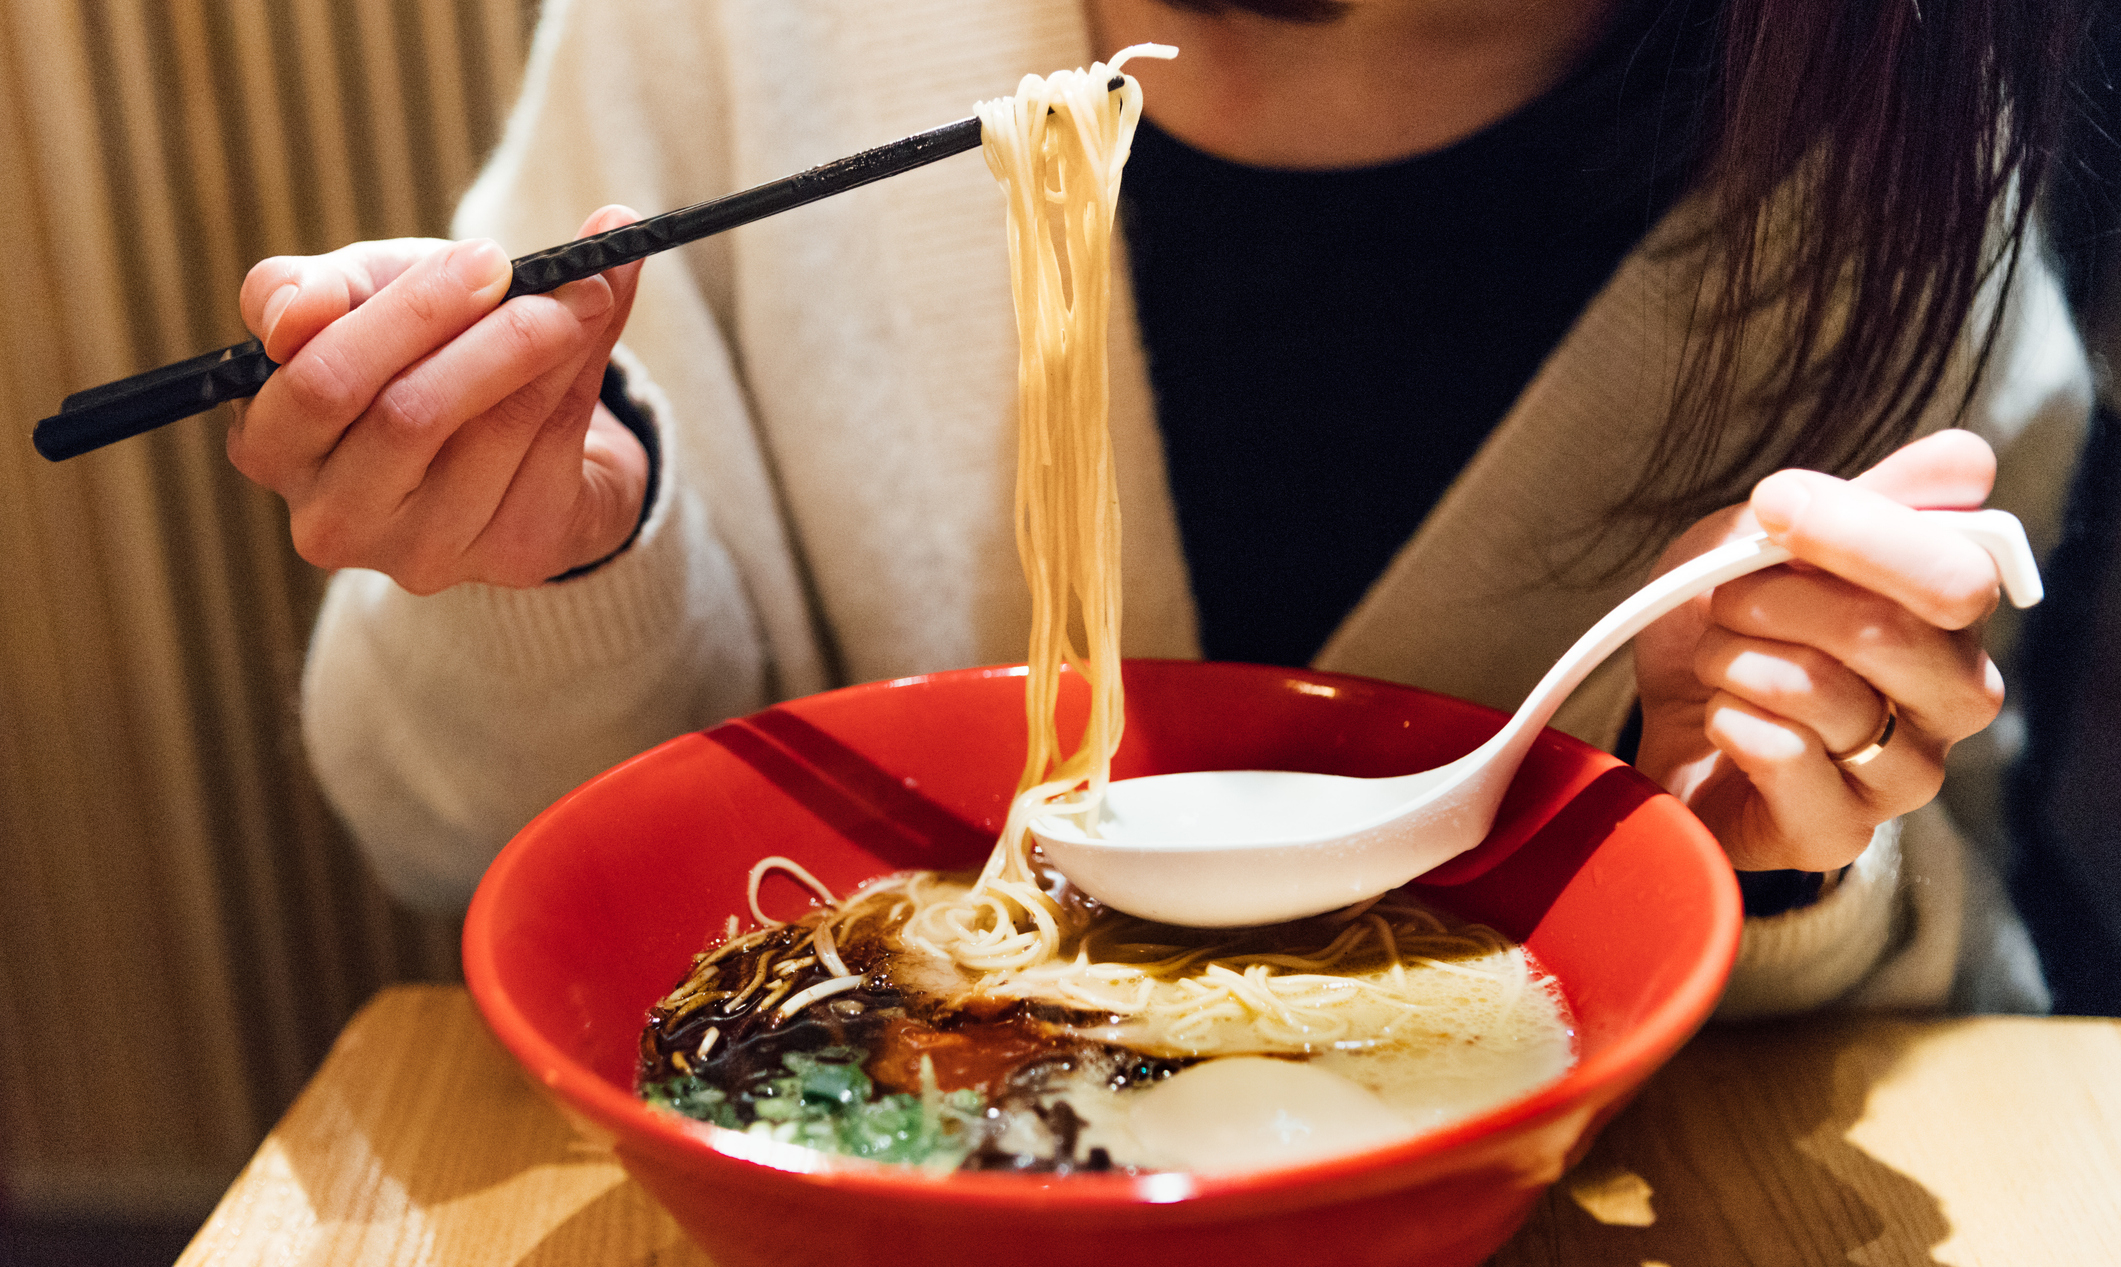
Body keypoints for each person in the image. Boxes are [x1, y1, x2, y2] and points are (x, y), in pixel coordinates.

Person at [227, 0, 2094, 1016]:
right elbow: (463, 840)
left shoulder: (1892, 141)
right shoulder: (732, 31)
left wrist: (1762, 845)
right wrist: (550, 556)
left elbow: (1951, 977)